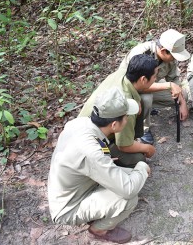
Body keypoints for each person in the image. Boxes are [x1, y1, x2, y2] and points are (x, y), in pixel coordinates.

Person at [48, 88, 151, 244]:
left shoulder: (80, 123)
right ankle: (99, 229)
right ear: (115, 124)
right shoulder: (92, 152)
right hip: (67, 208)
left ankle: (95, 210)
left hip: (79, 185)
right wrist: (142, 167)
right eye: (126, 117)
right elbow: (128, 190)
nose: (128, 120)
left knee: (131, 175)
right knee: (129, 198)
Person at [79, 54, 158, 168]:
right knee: (139, 159)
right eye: (155, 76)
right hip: (93, 142)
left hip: (87, 124)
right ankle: (108, 156)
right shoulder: (125, 106)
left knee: (142, 102)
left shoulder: (122, 73)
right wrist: (147, 148)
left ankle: (128, 136)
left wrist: (138, 100)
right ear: (143, 79)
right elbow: (123, 146)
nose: (156, 79)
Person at [118, 29, 191, 144]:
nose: (175, 59)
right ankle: (143, 128)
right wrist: (169, 85)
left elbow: (174, 79)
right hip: (129, 90)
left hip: (149, 86)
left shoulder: (170, 57)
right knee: (146, 99)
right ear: (163, 51)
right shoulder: (140, 54)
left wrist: (182, 102)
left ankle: (147, 110)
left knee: (184, 95)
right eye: (174, 56)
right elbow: (135, 86)